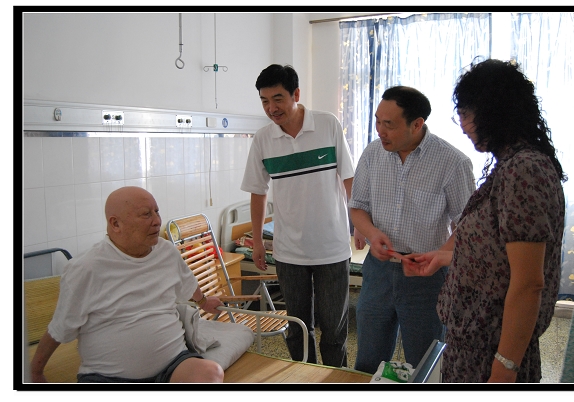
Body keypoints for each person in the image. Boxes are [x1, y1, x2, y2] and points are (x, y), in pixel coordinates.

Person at [396, 58, 567, 383]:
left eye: (465, 114)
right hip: (475, 346)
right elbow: (497, 254)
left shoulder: (524, 171)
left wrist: (504, 368)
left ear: (493, 112)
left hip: (492, 354)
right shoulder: (511, 165)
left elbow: (529, 283)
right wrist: (443, 256)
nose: (462, 125)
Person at [30, 186, 225, 383]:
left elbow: (187, 283)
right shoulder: (86, 268)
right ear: (115, 224)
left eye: (156, 212)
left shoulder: (166, 252)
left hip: (172, 365)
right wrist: (36, 371)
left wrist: (203, 302)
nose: (157, 221)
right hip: (107, 376)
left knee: (211, 373)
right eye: (146, 214)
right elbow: (60, 327)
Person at [349, 86, 475, 374]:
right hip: (378, 271)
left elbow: (468, 226)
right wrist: (372, 233)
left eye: (389, 124)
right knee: (368, 359)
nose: (380, 130)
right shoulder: (372, 154)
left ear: (417, 124)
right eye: (377, 121)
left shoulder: (452, 162)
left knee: (424, 361)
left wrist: (439, 257)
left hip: (426, 278)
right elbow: (357, 207)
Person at [240, 64, 354, 367]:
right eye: (265, 101)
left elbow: (349, 178)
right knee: (297, 329)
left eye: (278, 99)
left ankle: (335, 378)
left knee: (334, 330)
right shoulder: (263, 139)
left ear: (296, 94)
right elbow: (257, 191)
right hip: (289, 252)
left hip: (332, 248)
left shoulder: (327, 125)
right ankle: (303, 378)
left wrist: (358, 224)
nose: (271, 108)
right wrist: (258, 241)